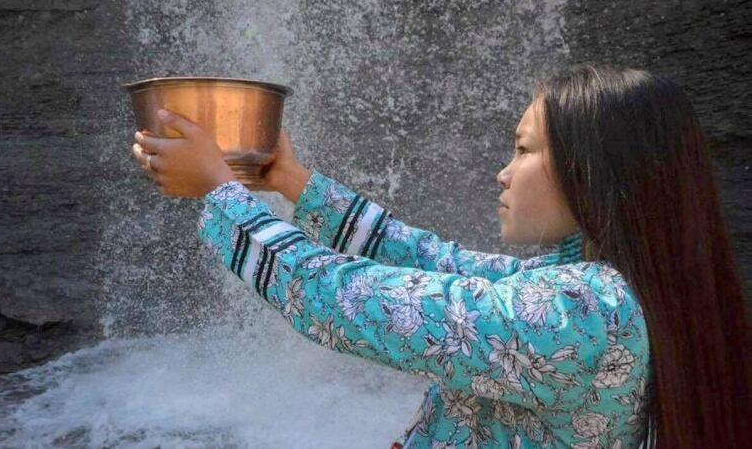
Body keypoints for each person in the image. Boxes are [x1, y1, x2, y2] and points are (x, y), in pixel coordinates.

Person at [130, 64, 751, 448]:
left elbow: (345, 302)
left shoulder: (581, 312)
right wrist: (296, 183)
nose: (504, 173)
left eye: (523, 149)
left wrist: (222, 191)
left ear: (591, 169)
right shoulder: (593, 285)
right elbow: (434, 264)